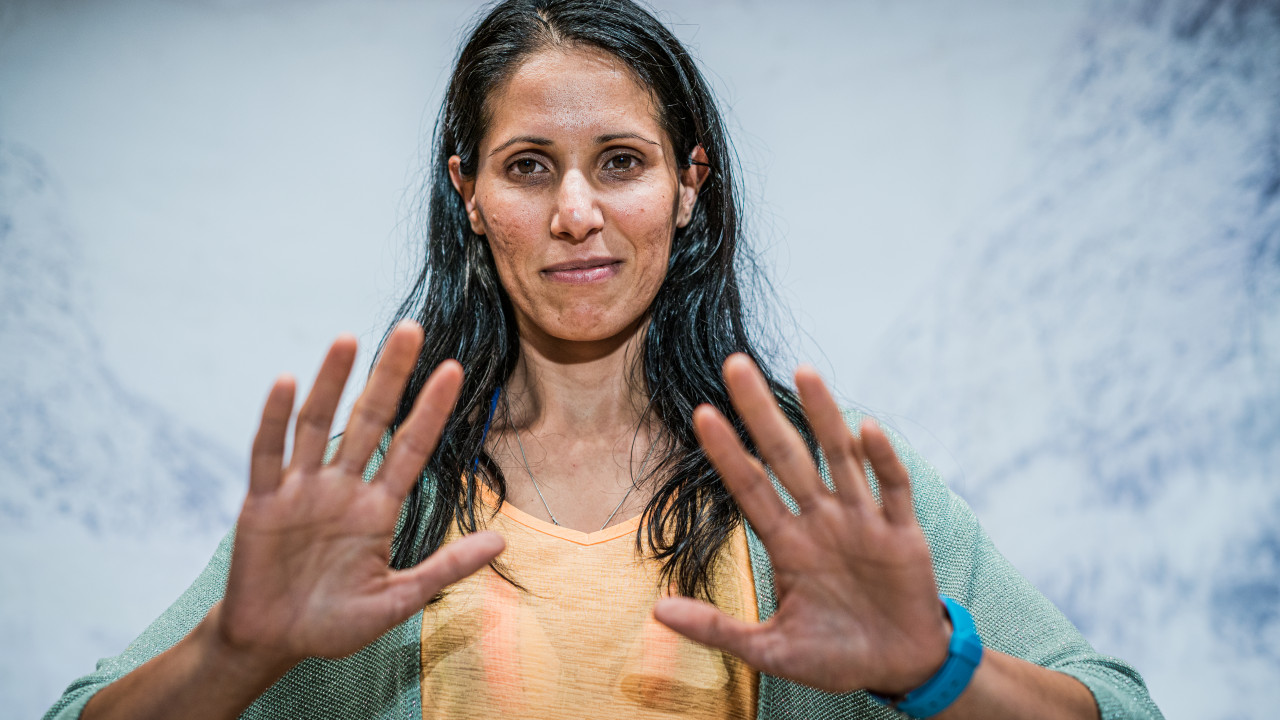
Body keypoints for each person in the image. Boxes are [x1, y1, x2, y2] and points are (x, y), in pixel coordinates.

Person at [45, 1, 1165, 718]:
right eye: (528, 166)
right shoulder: (377, 488)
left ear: (687, 185)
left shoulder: (812, 485)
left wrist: (931, 667)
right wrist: (234, 652)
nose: (576, 211)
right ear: (468, 194)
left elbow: (1116, 708)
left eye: (620, 162)